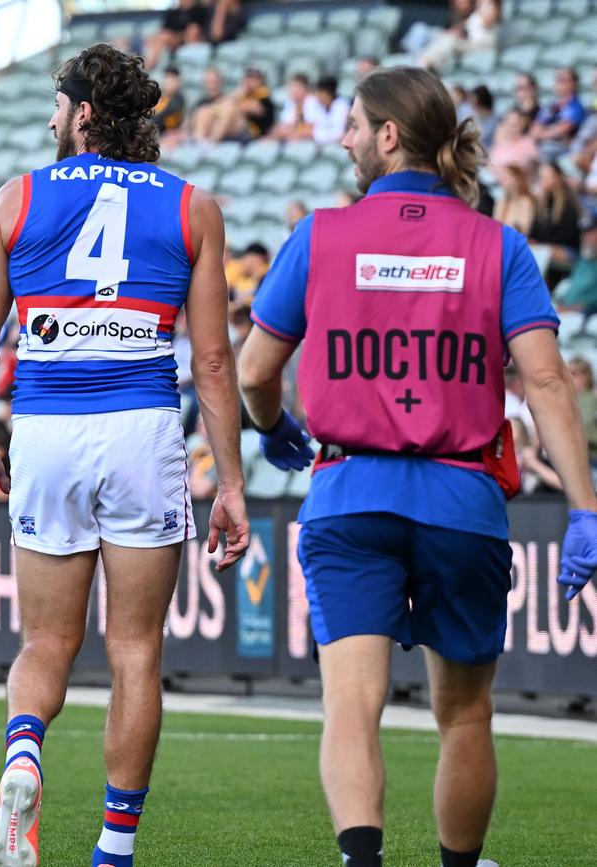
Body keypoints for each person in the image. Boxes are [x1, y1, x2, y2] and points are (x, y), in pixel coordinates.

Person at [238, 66, 597, 867]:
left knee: (351, 707)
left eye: (355, 124)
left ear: (388, 134)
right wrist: (585, 508)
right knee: (465, 714)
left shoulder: (320, 235)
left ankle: (361, 862)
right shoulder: (498, 244)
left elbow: (256, 370)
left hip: (349, 495)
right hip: (463, 501)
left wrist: (274, 427)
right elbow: (544, 380)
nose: (344, 137)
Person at [0, 43, 249, 867]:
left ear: (84, 112)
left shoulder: (19, 197)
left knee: (45, 643)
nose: (51, 115)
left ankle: (23, 751)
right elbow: (215, 362)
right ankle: (113, 850)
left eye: (57, 101)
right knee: (135, 651)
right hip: (143, 429)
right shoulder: (193, 206)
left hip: (47, 426)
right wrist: (229, 481)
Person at [531, 67, 585, 161]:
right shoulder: (550, 106)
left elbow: (564, 128)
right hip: (546, 145)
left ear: (574, 83)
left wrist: (544, 132)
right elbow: (535, 130)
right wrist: (546, 133)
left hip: (563, 149)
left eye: (564, 80)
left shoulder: (575, 106)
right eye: (558, 80)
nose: (559, 84)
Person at [492, 164, 536, 235]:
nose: (503, 178)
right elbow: (495, 225)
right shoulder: (502, 201)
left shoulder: (526, 201)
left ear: (517, 179)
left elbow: (523, 229)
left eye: (507, 176)